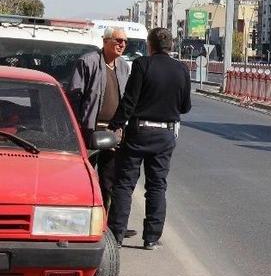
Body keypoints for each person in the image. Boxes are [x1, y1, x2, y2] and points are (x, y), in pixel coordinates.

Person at [108, 27, 191, 249]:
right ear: (171, 46)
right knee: (157, 186)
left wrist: (114, 125)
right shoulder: (182, 69)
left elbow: (129, 100)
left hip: (138, 133)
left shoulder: (143, 64)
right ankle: (151, 238)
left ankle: (115, 235)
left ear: (150, 45)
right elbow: (185, 107)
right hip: (165, 135)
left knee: (125, 184)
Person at [67, 27, 138, 239]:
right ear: (106, 41)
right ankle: (75, 223)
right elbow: (75, 96)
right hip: (89, 130)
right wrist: (77, 126)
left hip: (114, 132)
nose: (122, 44)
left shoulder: (124, 67)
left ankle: (107, 225)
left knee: (110, 181)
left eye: (125, 41)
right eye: (118, 40)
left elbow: (128, 99)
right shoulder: (88, 62)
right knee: (84, 179)